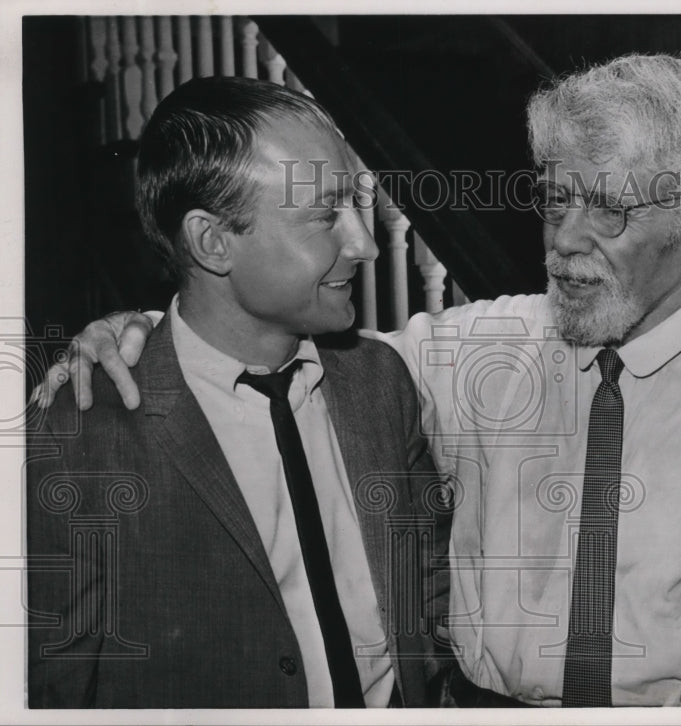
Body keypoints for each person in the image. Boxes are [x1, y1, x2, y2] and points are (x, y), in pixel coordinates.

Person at [35, 54, 681, 707]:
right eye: (554, 198)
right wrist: (134, 326)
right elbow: (260, 345)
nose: (565, 241)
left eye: (608, 208)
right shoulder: (471, 352)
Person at [26, 76, 449, 708]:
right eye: (325, 216)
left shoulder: (380, 380)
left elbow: (429, 597)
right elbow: (51, 689)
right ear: (212, 241)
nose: (362, 244)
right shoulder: (84, 432)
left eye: (357, 208)